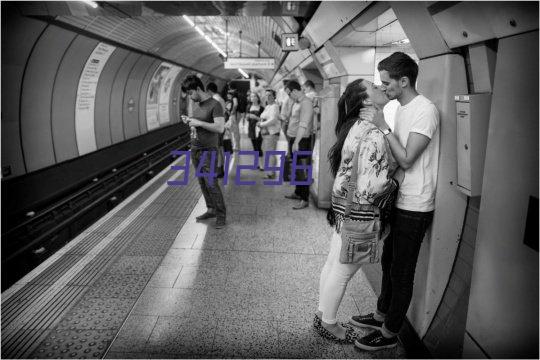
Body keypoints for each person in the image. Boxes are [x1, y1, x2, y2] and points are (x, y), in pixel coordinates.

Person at [352, 52, 439, 351]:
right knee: (388, 262)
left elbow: (408, 157)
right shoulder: (401, 108)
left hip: (416, 203)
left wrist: (382, 127)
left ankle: (390, 334)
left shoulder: (424, 110)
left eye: (387, 82)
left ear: (404, 81)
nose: (383, 87)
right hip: (399, 197)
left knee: (402, 271)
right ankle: (380, 315)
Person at [314, 79, 397, 343]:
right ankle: (328, 323)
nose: (381, 87)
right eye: (374, 86)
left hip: (343, 208)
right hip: (360, 212)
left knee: (332, 264)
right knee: (344, 270)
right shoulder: (373, 133)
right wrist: (395, 182)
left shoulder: (354, 128)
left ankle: (322, 313)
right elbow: (374, 186)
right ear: (366, 101)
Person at [181, 75, 227, 229]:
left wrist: (199, 122)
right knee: (202, 183)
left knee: (211, 183)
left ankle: (221, 215)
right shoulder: (197, 104)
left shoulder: (215, 104)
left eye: (190, 93)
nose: (189, 96)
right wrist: (189, 121)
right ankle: (211, 209)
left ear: (198, 89)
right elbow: (199, 125)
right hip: (196, 149)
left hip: (208, 150)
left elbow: (220, 128)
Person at [283, 80, 314, 210]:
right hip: (294, 138)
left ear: (295, 91)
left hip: (301, 140)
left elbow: (303, 124)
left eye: (289, 94)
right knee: (296, 168)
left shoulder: (306, 103)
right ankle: (297, 192)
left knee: (302, 169)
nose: (289, 96)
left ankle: (304, 198)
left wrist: (296, 142)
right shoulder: (297, 102)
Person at [256, 89, 281, 179]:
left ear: (274, 96)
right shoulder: (267, 107)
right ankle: (269, 172)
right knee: (267, 152)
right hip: (266, 133)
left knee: (270, 152)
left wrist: (261, 124)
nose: (268, 97)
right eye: (266, 95)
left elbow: (273, 120)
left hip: (272, 133)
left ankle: (271, 172)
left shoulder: (275, 106)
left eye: (270, 95)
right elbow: (262, 116)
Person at [207, 82, 226, 178]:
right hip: (222, 126)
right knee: (221, 148)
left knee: (217, 149)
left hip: (216, 127)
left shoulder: (214, 100)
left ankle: (218, 170)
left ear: (210, 91)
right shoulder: (221, 99)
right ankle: (221, 169)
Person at [245, 93, 264, 169]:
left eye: (254, 96)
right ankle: (257, 163)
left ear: (258, 98)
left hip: (258, 128)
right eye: (252, 96)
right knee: (254, 147)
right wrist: (247, 117)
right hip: (251, 128)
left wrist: (255, 117)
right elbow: (247, 118)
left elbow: (263, 119)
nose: (253, 98)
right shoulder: (248, 107)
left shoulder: (261, 108)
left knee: (259, 146)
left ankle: (261, 164)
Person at [303, 80, 320, 148]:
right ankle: (309, 157)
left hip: (307, 124)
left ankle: (306, 157)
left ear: (309, 87)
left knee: (306, 145)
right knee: (311, 143)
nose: (304, 91)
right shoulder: (317, 95)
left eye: (305, 89)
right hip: (314, 123)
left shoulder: (309, 95)